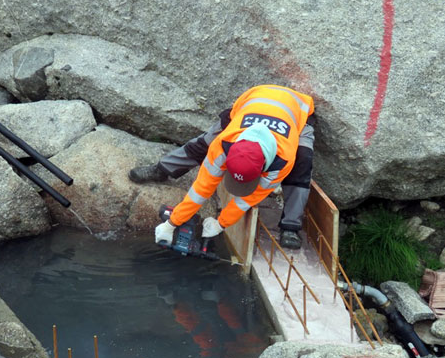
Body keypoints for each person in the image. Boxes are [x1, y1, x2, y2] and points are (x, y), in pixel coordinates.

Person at [131, 85, 314, 249]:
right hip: (252, 100)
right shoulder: (222, 146)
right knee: (205, 142)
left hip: (298, 112)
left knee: (302, 163)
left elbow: (248, 199)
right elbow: (201, 189)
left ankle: (290, 227)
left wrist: (221, 223)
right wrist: (171, 223)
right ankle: (162, 169)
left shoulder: (283, 159)